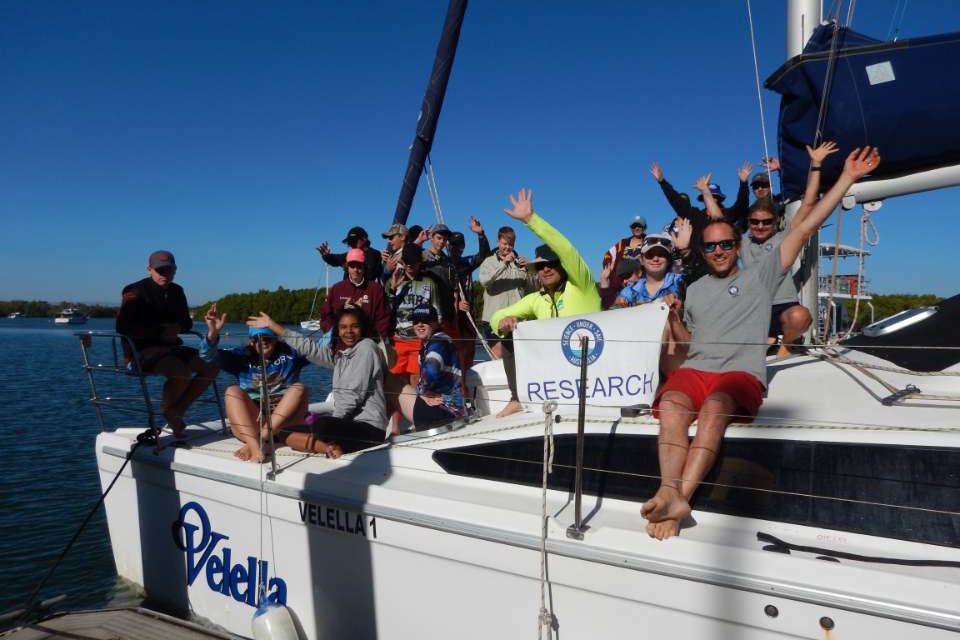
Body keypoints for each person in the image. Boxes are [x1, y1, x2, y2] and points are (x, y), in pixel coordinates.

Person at [641, 146, 881, 540]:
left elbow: (804, 225)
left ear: (737, 246)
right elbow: (683, 352)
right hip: (697, 368)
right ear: (702, 251)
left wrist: (847, 179)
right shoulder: (695, 289)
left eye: (725, 245)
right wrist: (672, 319)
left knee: (716, 407)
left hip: (738, 373)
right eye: (710, 247)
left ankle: (682, 496)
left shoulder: (761, 274)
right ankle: (668, 492)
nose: (718, 251)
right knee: (671, 402)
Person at [489, 189, 602, 417]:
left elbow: (567, 250)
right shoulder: (535, 299)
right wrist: (504, 322)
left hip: (591, 371)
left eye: (551, 263)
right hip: (553, 374)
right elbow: (495, 317)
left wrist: (531, 220)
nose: (546, 269)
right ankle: (517, 398)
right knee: (510, 335)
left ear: (563, 266)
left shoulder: (583, 286)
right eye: (540, 266)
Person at [741, 141, 839, 357]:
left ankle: (786, 344)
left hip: (784, 304)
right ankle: (767, 341)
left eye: (766, 222)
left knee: (800, 317)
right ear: (748, 221)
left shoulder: (783, 238)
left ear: (775, 222)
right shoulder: (741, 243)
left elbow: (807, 204)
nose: (760, 226)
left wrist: (815, 165)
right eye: (754, 222)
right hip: (755, 307)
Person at [248, 308, 388, 459]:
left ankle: (331, 442)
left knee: (322, 425)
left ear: (363, 328)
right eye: (343, 327)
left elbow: (352, 396)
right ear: (337, 330)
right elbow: (310, 348)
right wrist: (272, 325)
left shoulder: (366, 348)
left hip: (369, 429)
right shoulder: (342, 356)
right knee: (284, 431)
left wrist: (333, 423)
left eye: (355, 326)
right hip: (348, 425)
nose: (349, 331)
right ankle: (330, 448)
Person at [117, 250, 218, 440]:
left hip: (171, 348)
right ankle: (169, 412)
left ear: (175, 270)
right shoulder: (134, 292)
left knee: (212, 367)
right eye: (160, 270)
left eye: (169, 270)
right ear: (149, 270)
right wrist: (161, 331)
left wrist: (175, 328)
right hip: (140, 352)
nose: (165, 274)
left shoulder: (177, 291)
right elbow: (123, 326)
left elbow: (186, 324)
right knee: (181, 372)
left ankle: (176, 411)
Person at [201, 305, 310, 462]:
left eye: (266, 338)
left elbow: (321, 349)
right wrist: (213, 332)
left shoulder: (291, 353)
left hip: (286, 423)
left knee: (300, 388)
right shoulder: (241, 356)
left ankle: (260, 440)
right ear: (251, 342)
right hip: (253, 423)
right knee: (232, 390)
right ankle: (255, 444)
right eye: (256, 339)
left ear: (275, 338)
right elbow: (207, 356)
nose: (262, 342)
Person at [398, 304, 465, 429]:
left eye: (426, 320)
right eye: (416, 321)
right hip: (447, 407)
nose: (420, 324)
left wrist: (421, 393)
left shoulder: (439, 341)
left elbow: (431, 371)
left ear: (435, 323)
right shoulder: (429, 344)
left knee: (393, 383)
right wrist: (424, 394)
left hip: (443, 412)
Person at [478, 225, 539, 358]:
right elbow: (484, 281)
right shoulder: (488, 262)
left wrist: (530, 269)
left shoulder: (519, 264)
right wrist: (503, 264)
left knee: (517, 359)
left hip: (516, 320)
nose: (507, 247)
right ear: (498, 241)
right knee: (499, 360)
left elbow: (533, 289)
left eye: (510, 244)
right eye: (505, 243)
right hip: (492, 319)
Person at [386, 242, 443, 383]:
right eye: (407, 263)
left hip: (420, 341)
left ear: (420, 262)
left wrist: (431, 337)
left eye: (413, 263)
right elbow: (386, 311)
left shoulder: (429, 283)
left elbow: (438, 314)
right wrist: (393, 288)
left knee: (416, 379)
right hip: (397, 340)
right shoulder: (391, 282)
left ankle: (415, 405)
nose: (410, 266)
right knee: (395, 381)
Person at [447, 217, 492, 370]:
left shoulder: (466, 263)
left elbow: (484, 255)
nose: (456, 249)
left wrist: (480, 234)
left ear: (463, 248)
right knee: (452, 351)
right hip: (451, 316)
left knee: (468, 351)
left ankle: (467, 380)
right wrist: (455, 304)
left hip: (468, 316)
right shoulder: (443, 265)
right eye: (453, 246)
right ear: (448, 246)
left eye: (459, 247)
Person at [319, 248, 390, 340]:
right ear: (347, 267)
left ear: (364, 267)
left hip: (368, 343)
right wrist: (342, 314)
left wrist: (375, 338)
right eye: (352, 266)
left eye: (359, 266)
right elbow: (325, 317)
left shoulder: (376, 289)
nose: (356, 270)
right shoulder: (337, 289)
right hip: (341, 345)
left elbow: (383, 319)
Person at [612, 234, 684, 307]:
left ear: (668, 259)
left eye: (661, 254)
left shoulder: (681, 282)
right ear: (641, 260)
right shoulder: (630, 292)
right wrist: (617, 306)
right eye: (650, 255)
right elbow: (614, 312)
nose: (655, 259)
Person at [318, 226, 383, 282]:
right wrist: (326, 256)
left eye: (353, 241)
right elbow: (336, 259)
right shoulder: (351, 255)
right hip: (349, 294)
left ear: (364, 239)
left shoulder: (374, 254)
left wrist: (349, 267)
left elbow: (370, 274)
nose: (351, 244)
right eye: (349, 242)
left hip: (366, 294)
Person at [601, 215, 647, 290]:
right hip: (622, 286)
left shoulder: (649, 241)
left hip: (643, 284)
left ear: (644, 227)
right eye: (634, 226)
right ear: (631, 228)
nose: (637, 228)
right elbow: (608, 255)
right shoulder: (622, 243)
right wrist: (609, 266)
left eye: (639, 226)